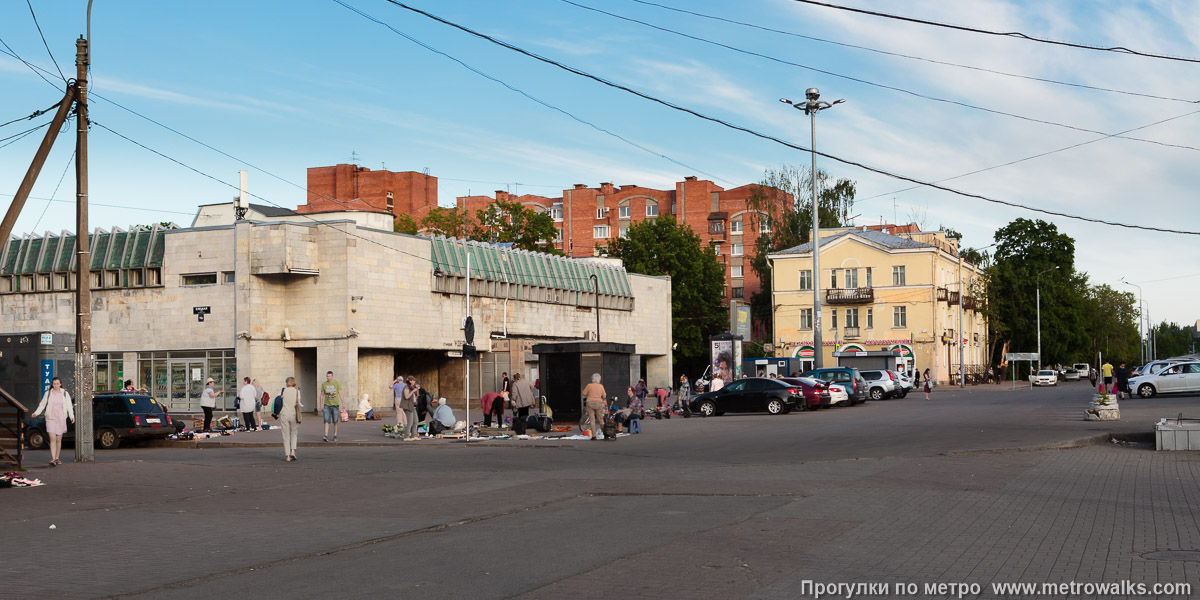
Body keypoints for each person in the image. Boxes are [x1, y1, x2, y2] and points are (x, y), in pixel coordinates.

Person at [32, 377, 73, 467]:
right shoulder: (48, 393)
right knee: (52, 439)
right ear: (52, 384)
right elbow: (42, 405)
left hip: (61, 418)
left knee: (58, 439)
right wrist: (36, 413)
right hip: (51, 418)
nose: (56, 385)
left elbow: (69, 406)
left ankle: (57, 458)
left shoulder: (65, 393)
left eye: (57, 384)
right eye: (54, 384)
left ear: (60, 384)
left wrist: (71, 416)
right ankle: (53, 458)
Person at [279, 376, 302, 461]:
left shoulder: (284, 390)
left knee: (285, 435)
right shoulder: (297, 391)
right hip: (293, 414)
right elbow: (299, 403)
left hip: (284, 414)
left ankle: (287, 456)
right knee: (294, 433)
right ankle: (293, 451)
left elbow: (280, 400)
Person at [581, 372, 607, 439]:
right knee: (600, 419)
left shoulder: (589, 385)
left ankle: (594, 435)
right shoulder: (601, 386)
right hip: (599, 403)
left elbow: (584, 393)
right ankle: (605, 434)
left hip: (590, 403)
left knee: (592, 419)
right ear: (599, 379)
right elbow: (604, 396)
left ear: (592, 379)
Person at [321, 371, 343, 442]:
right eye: (327, 376)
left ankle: (335, 435)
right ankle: (326, 435)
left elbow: (340, 393)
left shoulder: (336, 383)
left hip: (335, 405)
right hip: (326, 405)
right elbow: (321, 395)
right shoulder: (324, 384)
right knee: (326, 420)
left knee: (335, 421)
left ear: (332, 376)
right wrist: (321, 405)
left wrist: (343, 403)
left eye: (330, 376)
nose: (329, 378)